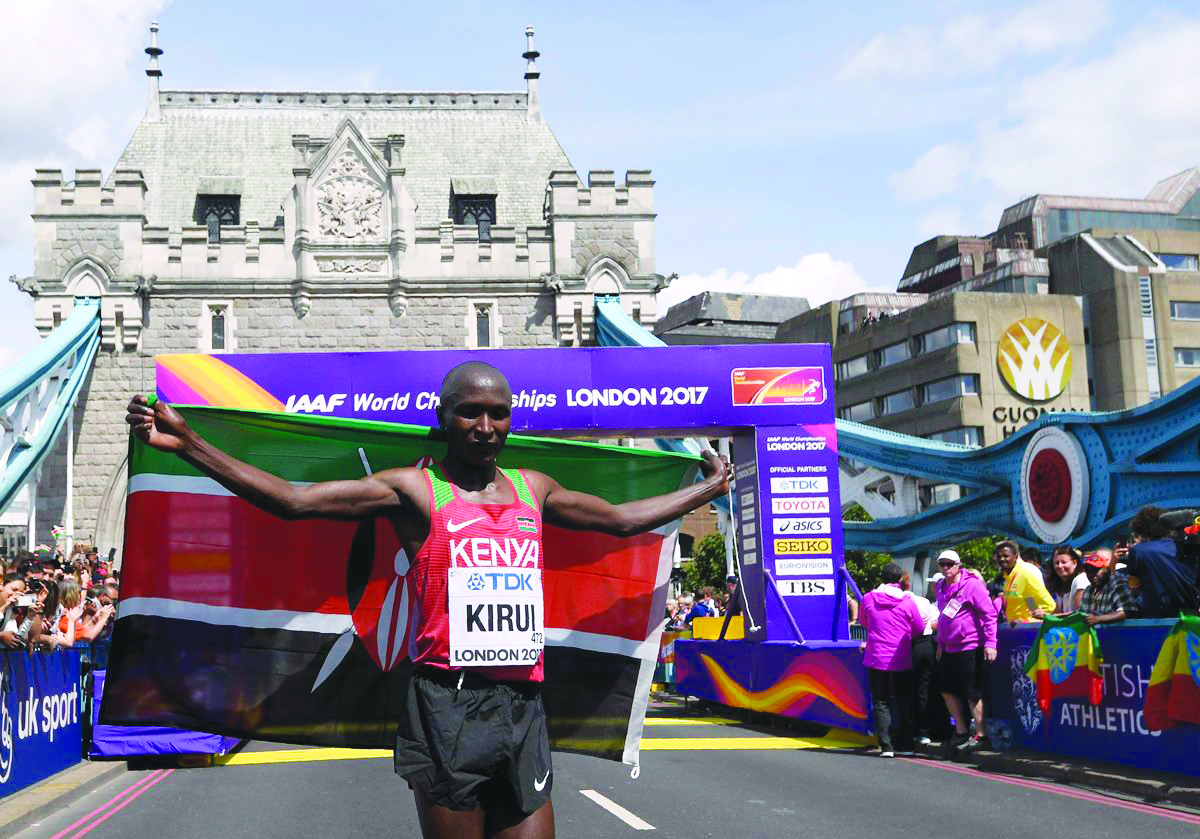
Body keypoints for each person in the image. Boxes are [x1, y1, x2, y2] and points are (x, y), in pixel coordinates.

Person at [126, 360, 732, 839]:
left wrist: (709, 486)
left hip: (521, 706)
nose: (486, 427)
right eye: (471, 414)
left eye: (498, 414)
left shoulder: (534, 489)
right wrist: (190, 446)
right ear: (444, 417)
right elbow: (294, 500)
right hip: (447, 706)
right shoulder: (416, 488)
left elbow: (623, 521)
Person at [933, 549, 997, 752]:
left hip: (969, 645)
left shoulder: (972, 585)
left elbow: (989, 614)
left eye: (949, 564)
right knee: (946, 689)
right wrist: (941, 643)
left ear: (959, 565)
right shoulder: (941, 586)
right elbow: (944, 617)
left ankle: (981, 734)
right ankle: (961, 730)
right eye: (942, 564)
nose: (946, 568)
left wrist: (990, 643)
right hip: (949, 647)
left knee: (972, 693)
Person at [859, 564, 925, 757]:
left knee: (881, 701)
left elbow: (864, 622)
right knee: (905, 699)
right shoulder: (907, 601)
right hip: (901, 655)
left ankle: (886, 746)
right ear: (899, 580)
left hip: (876, 656)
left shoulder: (869, 598)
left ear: (882, 577)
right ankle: (907, 743)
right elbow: (919, 629)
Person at [1118, 507, 1199, 618]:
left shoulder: (1138, 551)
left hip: (1157, 618)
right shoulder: (1188, 549)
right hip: (1190, 618)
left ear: (1140, 529)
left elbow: (1134, 588)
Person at [900, 571, 939, 746]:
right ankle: (924, 732)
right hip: (927, 645)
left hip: (907, 645)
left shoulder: (895, 602)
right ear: (908, 585)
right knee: (924, 690)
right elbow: (935, 622)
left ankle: (909, 733)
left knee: (907, 691)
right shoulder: (923, 601)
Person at [994, 540, 1054, 623]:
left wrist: (1027, 621)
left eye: (1006, 556)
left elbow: (1049, 606)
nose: (1001, 559)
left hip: (1028, 631)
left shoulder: (1026, 572)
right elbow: (1029, 598)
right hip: (1014, 629)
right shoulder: (1009, 576)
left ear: (1015, 557)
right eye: (998, 556)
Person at [1079, 550, 1136, 625]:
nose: (1091, 574)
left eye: (1095, 570)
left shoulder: (1117, 583)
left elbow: (1127, 611)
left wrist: (1098, 619)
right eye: (1087, 571)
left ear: (1107, 568)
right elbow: (1082, 614)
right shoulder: (1089, 590)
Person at [1034, 546, 1089, 617]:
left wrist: (1047, 616)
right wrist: (1041, 612)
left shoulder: (1081, 579)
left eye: (1064, 562)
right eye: (1056, 563)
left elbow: (1079, 614)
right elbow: (1058, 613)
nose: (1060, 566)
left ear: (1075, 563)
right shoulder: (1058, 585)